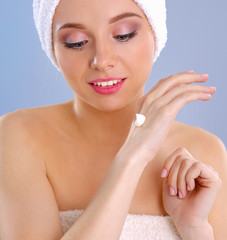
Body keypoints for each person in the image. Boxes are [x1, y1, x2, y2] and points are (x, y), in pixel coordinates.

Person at [0, 0, 226, 239]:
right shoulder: (20, 137)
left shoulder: (204, 153)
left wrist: (194, 229)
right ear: (54, 48)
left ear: (156, 33)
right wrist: (133, 156)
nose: (102, 60)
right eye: (76, 42)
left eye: (123, 35)